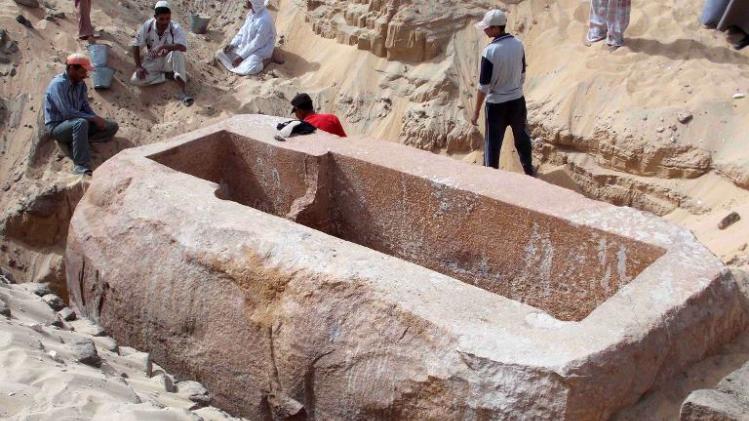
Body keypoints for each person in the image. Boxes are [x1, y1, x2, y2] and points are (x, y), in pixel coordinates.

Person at [470, 10, 534, 176]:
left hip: (496, 106)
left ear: (497, 29)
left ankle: (491, 178)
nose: (485, 31)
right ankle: (529, 171)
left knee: (492, 144)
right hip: (517, 101)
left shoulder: (489, 52)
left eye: (488, 28)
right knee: (522, 138)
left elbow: (483, 86)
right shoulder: (518, 44)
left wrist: (476, 111)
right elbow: (522, 74)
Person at [43, 53, 119, 176]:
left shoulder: (81, 85)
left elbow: (85, 106)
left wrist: (96, 119)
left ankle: (79, 140)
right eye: (82, 72)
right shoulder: (58, 84)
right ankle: (81, 166)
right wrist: (92, 118)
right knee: (81, 123)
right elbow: (66, 112)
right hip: (58, 126)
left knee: (111, 126)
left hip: (77, 122)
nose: (85, 75)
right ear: (72, 69)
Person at [130, 1, 193, 106]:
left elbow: (183, 47)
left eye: (168, 19)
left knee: (177, 53)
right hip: (153, 60)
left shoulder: (175, 27)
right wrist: (138, 66)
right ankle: (168, 76)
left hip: (169, 60)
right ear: (155, 17)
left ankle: (183, 92)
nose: (165, 22)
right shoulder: (148, 26)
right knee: (135, 80)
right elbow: (136, 45)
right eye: (161, 19)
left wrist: (162, 46)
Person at [216, 0, 276, 76]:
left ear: (254, 3)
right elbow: (242, 32)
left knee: (249, 68)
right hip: (246, 47)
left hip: (259, 50)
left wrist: (241, 57)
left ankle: (267, 60)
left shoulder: (264, 21)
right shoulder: (251, 14)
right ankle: (241, 62)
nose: (245, 1)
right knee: (221, 53)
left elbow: (257, 43)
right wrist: (232, 44)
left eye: (248, 1)